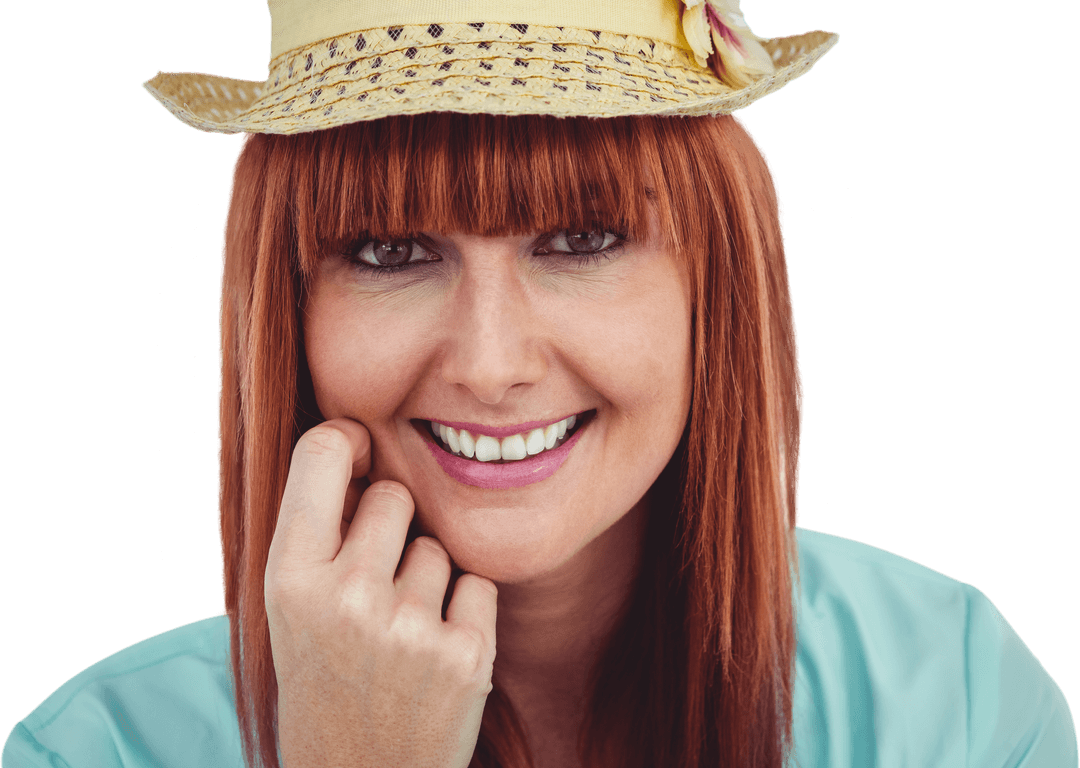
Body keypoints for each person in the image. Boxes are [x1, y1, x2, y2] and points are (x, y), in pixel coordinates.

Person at [3, 1, 1076, 767]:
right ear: (288, 308)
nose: (490, 361)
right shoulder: (96, 750)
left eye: (582, 237)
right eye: (386, 252)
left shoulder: (958, 706)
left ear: (720, 282)